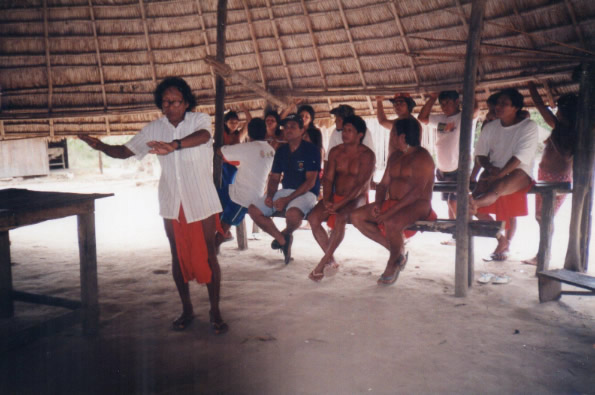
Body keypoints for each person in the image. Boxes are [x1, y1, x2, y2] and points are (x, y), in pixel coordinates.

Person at [78, 77, 227, 334]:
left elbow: (204, 137)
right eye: (165, 102)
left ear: (187, 102)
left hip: (201, 198)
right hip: (172, 201)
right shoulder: (153, 129)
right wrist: (100, 146)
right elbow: (125, 151)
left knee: (208, 254)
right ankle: (187, 309)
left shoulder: (199, 120)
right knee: (177, 256)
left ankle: (215, 310)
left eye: (175, 101)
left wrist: (175, 145)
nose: (170, 106)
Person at [351, 118, 435, 286]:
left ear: (402, 137)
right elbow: (382, 185)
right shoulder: (395, 156)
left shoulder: (422, 157)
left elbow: (416, 192)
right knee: (356, 217)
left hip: (418, 205)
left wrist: (389, 211)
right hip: (393, 203)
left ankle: (392, 263)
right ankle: (397, 253)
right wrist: (378, 204)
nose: (392, 138)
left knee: (390, 221)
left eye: (393, 134)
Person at [470, 88, 539, 261]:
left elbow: (519, 157)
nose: (498, 107)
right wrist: (490, 169)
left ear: (515, 107)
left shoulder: (528, 126)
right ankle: (501, 240)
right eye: (498, 103)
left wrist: (500, 174)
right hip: (495, 170)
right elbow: (481, 155)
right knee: (473, 207)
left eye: (504, 104)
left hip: (518, 172)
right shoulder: (490, 127)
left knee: (497, 190)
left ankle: (474, 202)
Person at [307, 115, 376, 281]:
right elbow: (329, 179)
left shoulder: (368, 155)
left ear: (360, 134)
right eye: (344, 130)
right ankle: (331, 260)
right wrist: (327, 200)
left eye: (350, 130)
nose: (345, 133)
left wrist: (340, 204)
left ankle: (323, 261)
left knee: (341, 217)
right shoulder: (335, 152)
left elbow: (361, 185)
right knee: (313, 218)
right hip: (336, 196)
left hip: (356, 197)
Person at [248, 114, 321, 264]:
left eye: (293, 127)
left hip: (307, 193)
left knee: (293, 215)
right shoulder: (281, 151)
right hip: (286, 190)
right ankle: (282, 240)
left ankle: (286, 233)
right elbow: (274, 178)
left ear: (302, 130)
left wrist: (287, 199)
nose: (288, 130)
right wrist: (270, 195)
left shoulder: (312, 150)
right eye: (286, 127)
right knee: (253, 210)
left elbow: (310, 182)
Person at [522, 82, 578, 265]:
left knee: (545, 216)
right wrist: (531, 87)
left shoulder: (574, 133)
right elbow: (540, 107)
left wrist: (555, 137)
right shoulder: (557, 126)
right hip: (544, 175)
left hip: (558, 179)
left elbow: (566, 154)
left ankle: (543, 255)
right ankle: (542, 253)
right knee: (540, 216)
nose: (557, 113)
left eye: (560, 111)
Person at [418, 90, 478, 246]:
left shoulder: (464, 118)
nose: (444, 106)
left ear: (457, 101)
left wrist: (472, 91)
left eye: (448, 102)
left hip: (458, 167)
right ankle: (455, 235)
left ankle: (462, 233)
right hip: (442, 168)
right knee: (449, 203)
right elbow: (422, 118)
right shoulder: (440, 119)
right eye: (442, 103)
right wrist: (431, 98)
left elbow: (475, 109)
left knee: (455, 203)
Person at [215, 118, 276, 250]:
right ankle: (217, 231)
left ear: (248, 134)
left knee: (224, 225)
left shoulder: (247, 148)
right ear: (265, 133)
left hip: (243, 199)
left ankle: (213, 250)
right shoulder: (270, 151)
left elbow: (220, 152)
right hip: (247, 192)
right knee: (216, 196)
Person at [376, 93, 421, 157]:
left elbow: (410, 149)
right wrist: (379, 101)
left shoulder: (411, 123)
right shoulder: (398, 122)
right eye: (395, 103)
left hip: (403, 163)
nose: (397, 105)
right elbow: (382, 121)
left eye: (401, 103)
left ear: (408, 105)